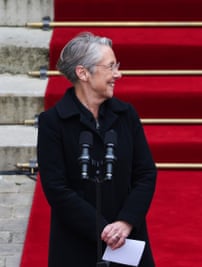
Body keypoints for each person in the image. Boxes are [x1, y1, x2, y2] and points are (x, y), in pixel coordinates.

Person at [37, 32, 157, 267]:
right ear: (83, 73)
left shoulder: (126, 115)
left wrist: (125, 222)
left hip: (126, 241)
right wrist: (102, 229)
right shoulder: (53, 123)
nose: (118, 74)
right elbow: (56, 188)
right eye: (111, 67)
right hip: (74, 246)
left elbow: (145, 174)